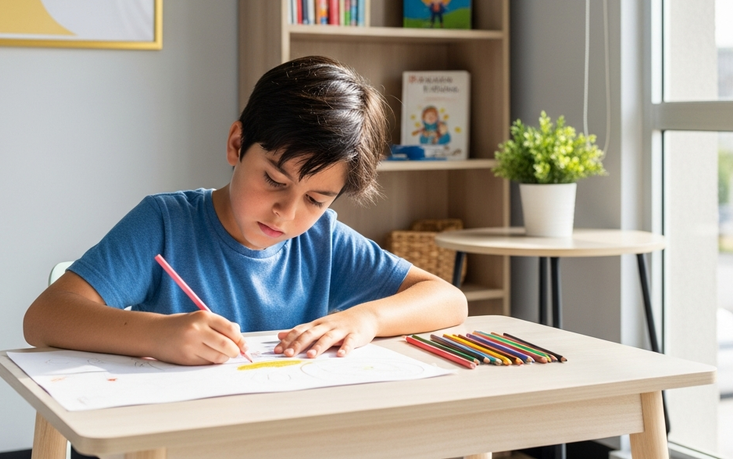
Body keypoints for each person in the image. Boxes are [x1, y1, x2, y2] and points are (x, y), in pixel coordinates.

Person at [23, 56, 467, 366]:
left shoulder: (322, 241)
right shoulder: (164, 223)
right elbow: (44, 318)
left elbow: (448, 300)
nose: (286, 213)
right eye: (275, 180)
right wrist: (156, 335)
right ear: (237, 144)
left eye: (315, 199)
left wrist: (365, 317)